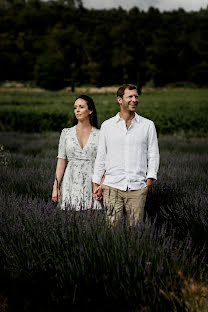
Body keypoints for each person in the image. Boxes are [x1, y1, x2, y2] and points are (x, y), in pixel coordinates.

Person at [92, 84, 159, 226]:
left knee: (135, 230)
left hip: (137, 187)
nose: (134, 100)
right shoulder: (107, 126)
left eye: (136, 96)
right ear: (120, 100)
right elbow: (101, 156)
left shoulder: (147, 125)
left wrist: (148, 181)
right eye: (130, 96)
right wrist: (96, 183)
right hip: (111, 186)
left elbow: (153, 154)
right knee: (113, 229)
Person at [52, 95, 102, 210]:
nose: (77, 110)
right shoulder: (66, 133)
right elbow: (61, 161)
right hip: (71, 181)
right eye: (75, 107)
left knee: (92, 221)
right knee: (71, 221)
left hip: (92, 182)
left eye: (81, 107)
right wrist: (56, 186)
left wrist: (101, 185)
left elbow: (104, 162)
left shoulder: (100, 134)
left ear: (90, 110)